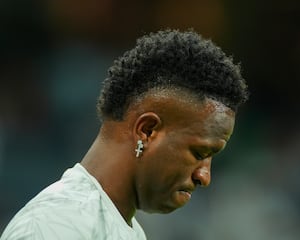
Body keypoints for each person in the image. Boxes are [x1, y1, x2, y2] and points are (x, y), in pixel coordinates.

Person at [0, 29, 248, 239]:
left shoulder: (126, 230)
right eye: (199, 152)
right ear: (147, 131)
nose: (204, 176)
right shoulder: (55, 226)